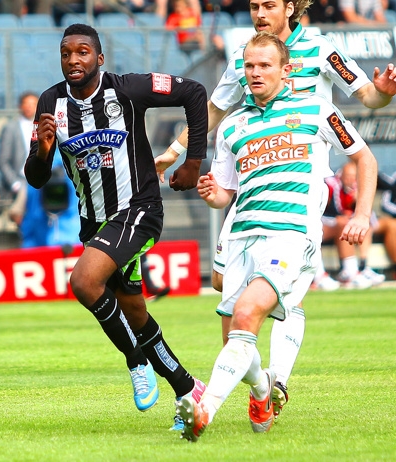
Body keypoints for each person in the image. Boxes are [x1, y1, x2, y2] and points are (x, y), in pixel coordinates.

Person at [155, 0, 396, 421]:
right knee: (220, 287)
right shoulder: (244, 59)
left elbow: (369, 96)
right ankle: (261, 384)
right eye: (253, 5)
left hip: (302, 184)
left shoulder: (321, 50)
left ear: (291, 7)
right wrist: (174, 152)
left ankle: (270, 384)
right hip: (252, 187)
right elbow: (214, 110)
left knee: (279, 290)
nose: (260, 12)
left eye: (269, 5)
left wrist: (384, 94)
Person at [24, 24, 209, 426]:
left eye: (83, 52)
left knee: (84, 282)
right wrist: (41, 152)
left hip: (138, 209)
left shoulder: (127, 90)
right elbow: (36, 177)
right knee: (134, 310)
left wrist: (193, 161)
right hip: (94, 222)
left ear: (100, 58)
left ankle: (136, 362)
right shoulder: (50, 102)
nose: (74, 60)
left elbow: (194, 92)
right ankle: (188, 388)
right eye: (66, 53)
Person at [322, 161, 391, 286]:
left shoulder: (355, 189)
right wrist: (339, 218)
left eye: (353, 177)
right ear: (341, 175)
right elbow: (319, 213)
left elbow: (371, 218)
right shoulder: (330, 185)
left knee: (363, 226)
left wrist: (358, 201)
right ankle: (345, 272)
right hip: (321, 224)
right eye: (348, 176)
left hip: (337, 225)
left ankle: (362, 267)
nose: (350, 179)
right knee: (344, 224)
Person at [0, 91, 38, 226]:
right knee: (26, 189)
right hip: (20, 179)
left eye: (33, 104)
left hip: (40, 176)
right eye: (26, 104)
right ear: (20, 106)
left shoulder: (44, 127)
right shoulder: (10, 128)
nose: (29, 107)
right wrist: (14, 182)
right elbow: (3, 160)